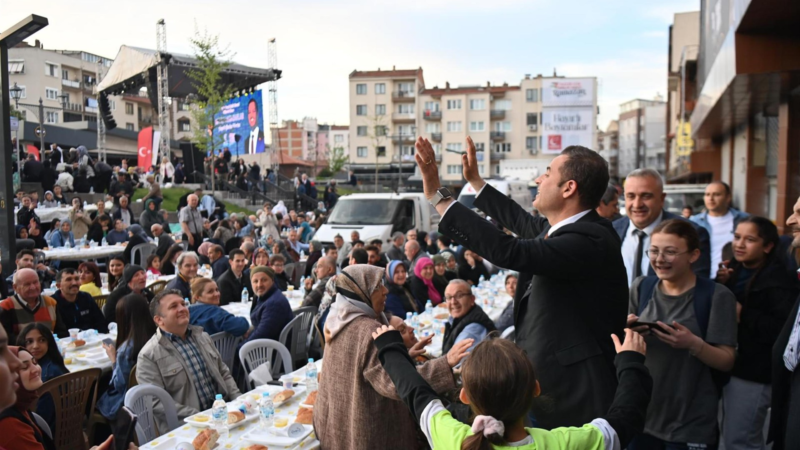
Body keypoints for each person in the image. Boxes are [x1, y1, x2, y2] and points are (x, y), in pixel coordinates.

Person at [416, 136, 628, 428]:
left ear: (569, 188)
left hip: (573, 393)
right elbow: (521, 222)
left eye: (549, 173)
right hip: (547, 383)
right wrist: (476, 181)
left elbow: (509, 250)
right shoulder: (567, 228)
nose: (539, 179)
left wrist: (439, 197)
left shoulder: (590, 239)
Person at [372, 322, 652, 450]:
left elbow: (416, 394)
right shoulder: (564, 444)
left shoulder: (454, 440)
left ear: (464, 396)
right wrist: (630, 362)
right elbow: (625, 418)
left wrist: (390, 348)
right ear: (536, 388)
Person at [314, 265, 465, 450]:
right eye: (378, 286)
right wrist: (445, 363)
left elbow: (364, 367)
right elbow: (398, 384)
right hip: (369, 430)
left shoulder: (338, 320)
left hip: (337, 427)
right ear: (362, 291)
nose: (385, 290)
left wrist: (402, 356)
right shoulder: (369, 330)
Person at [626, 219, 737, 449]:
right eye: (654, 251)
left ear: (694, 255)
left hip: (691, 421)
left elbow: (727, 360)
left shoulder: (716, 295)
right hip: (641, 416)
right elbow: (623, 347)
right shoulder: (641, 287)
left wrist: (693, 344)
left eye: (670, 252)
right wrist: (626, 329)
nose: (659, 259)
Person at [713, 217, 797, 449]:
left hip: (755, 373)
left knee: (741, 440)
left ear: (768, 246)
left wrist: (744, 314)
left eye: (750, 239)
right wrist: (722, 283)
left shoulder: (779, 280)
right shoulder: (735, 269)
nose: (740, 244)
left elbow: (783, 332)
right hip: (733, 365)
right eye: (737, 237)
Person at [137, 290, 241, 431]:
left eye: (183, 304)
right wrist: (202, 417)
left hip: (224, 415)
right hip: (188, 427)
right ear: (159, 320)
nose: (182, 309)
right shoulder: (149, 355)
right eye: (174, 306)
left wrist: (238, 401)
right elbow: (156, 403)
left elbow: (223, 372)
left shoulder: (202, 337)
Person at [614, 168, 711, 286]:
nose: (637, 204)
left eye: (646, 196)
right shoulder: (611, 230)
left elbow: (698, 288)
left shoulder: (691, 233)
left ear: (662, 198)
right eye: (631, 196)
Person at [96, 293, 155, 422]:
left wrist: (113, 359)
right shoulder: (156, 336)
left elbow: (120, 384)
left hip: (129, 402)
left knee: (95, 389)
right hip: (154, 394)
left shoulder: (126, 349)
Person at [690, 181, 750, 279]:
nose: (711, 198)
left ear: (728, 197)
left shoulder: (744, 219)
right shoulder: (694, 222)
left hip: (734, 278)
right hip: (702, 278)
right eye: (707, 194)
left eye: (716, 194)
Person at [0, 347, 55, 450]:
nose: (36, 369)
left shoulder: (19, 405)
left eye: (34, 362)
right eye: (24, 367)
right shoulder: (11, 425)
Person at [0, 269, 66, 345]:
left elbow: (62, 332)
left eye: (35, 282)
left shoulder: (51, 303)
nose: (33, 287)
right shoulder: (6, 307)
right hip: (21, 354)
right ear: (15, 287)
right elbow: (7, 339)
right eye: (27, 284)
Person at [52, 269, 108, 333]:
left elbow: (100, 322)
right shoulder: (53, 303)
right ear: (59, 286)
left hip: (92, 339)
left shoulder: (86, 297)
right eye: (69, 279)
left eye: (76, 279)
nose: (74, 283)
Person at [246, 267, 293, 343]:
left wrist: (236, 350)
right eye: (255, 281)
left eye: (264, 280)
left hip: (273, 350)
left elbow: (261, 336)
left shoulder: (274, 304)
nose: (259, 284)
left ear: (272, 281)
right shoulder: (265, 296)